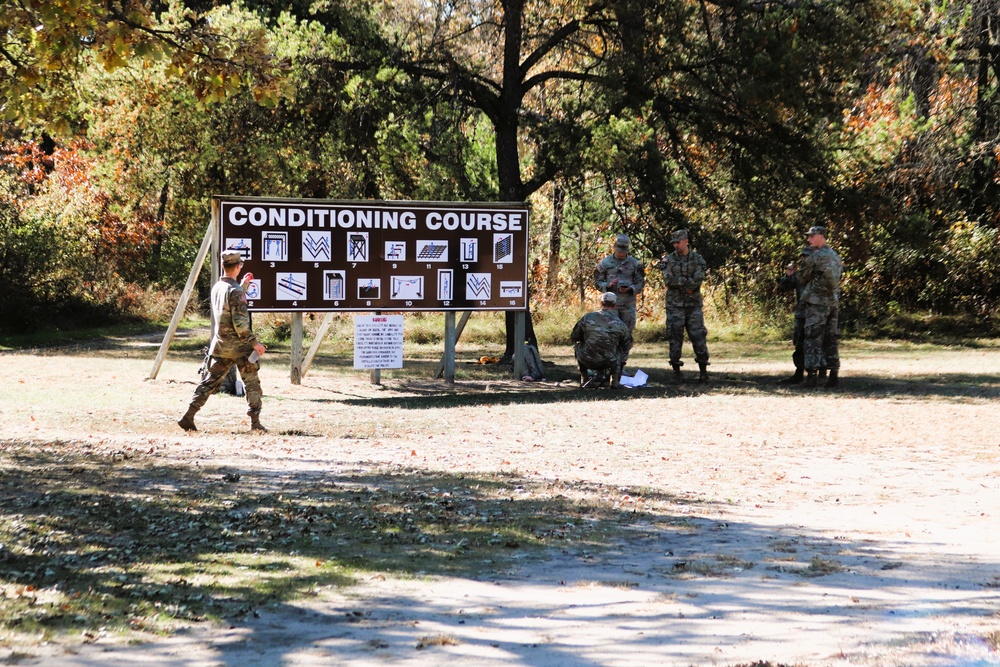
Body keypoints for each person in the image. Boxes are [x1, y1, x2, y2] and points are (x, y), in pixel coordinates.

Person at [178, 250, 269, 432]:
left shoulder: (218, 287)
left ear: (223, 266)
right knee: (251, 384)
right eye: (240, 265)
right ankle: (255, 423)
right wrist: (255, 344)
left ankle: (188, 416)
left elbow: (228, 305)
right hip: (241, 348)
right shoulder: (235, 292)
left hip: (220, 346)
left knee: (209, 382)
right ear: (237, 266)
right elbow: (241, 325)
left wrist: (243, 286)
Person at [660, 229, 710, 381]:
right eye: (674, 242)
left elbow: (698, 280)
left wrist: (681, 282)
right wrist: (686, 284)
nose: (676, 245)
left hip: (693, 305)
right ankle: (676, 372)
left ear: (686, 241)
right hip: (675, 305)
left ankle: (703, 372)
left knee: (698, 337)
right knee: (675, 338)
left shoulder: (697, 259)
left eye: (678, 242)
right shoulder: (668, 260)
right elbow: (668, 280)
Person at [796, 225, 843, 388]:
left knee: (812, 337)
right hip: (833, 303)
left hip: (817, 302)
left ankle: (811, 377)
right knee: (831, 338)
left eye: (811, 236)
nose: (809, 240)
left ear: (821, 236)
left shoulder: (815, 257)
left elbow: (802, 277)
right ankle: (833, 375)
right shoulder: (836, 256)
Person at [776, 245, 826, 385]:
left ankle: (819, 374)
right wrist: (788, 275)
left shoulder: (820, 273)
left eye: (807, 256)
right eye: (803, 256)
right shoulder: (801, 274)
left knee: (817, 344)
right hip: (802, 314)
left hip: (817, 314)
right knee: (799, 344)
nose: (805, 258)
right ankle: (799, 373)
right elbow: (784, 287)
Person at [570, 292, 633, 388]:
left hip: (587, 358)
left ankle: (585, 378)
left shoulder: (588, 317)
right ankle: (615, 380)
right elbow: (627, 344)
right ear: (614, 305)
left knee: (577, 346)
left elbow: (574, 336)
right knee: (622, 350)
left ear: (601, 303)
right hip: (609, 360)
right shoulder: (620, 323)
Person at [593, 234, 645, 334]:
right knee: (611, 334)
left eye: (623, 251)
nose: (621, 253)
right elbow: (597, 282)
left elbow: (641, 283)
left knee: (626, 335)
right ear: (614, 247)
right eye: (619, 250)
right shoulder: (605, 263)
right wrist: (607, 285)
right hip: (610, 305)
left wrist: (630, 289)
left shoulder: (634, 264)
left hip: (628, 305)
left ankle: (625, 350)